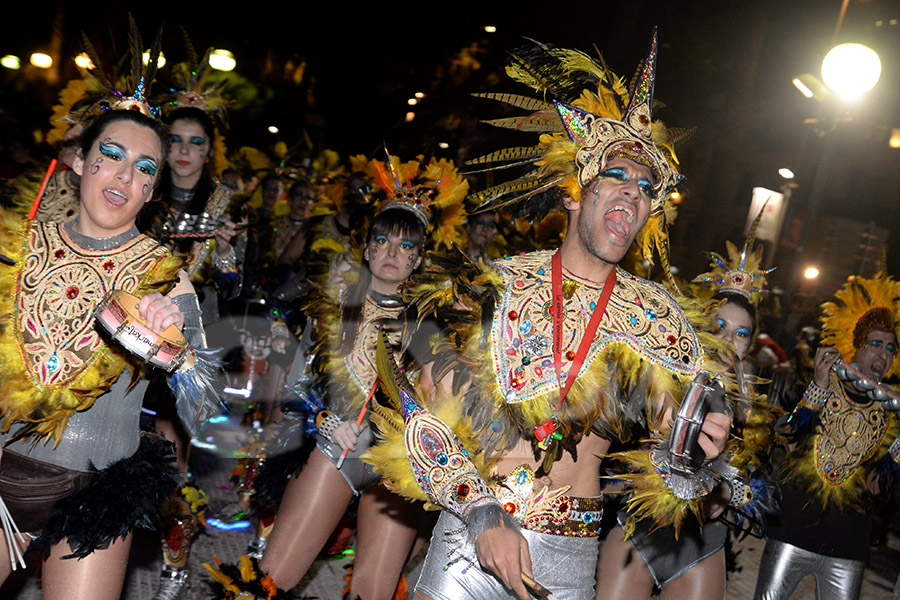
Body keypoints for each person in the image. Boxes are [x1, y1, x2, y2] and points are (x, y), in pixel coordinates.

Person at [363, 31, 731, 600]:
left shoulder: (661, 321)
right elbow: (418, 409)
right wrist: (481, 510)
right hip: (470, 542)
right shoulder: (493, 288)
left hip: (570, 559)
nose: (633, 194)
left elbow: (679, 451)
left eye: (645, 188)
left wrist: (695, 458)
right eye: (617, 176)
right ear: (573, 193)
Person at [210, 154, 468, 600]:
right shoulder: (333, 305)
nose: (391, 253)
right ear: (367, 248)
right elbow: (292, 381)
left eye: (405, 247)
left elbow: (447, 401)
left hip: (399, 466)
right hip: (340, 447)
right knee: (270, 578)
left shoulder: (432, 321)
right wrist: (324, 419)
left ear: (419, 260)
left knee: (372, 592)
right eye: (383, 240)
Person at [0, 106, 216, 600]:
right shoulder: (20, 246)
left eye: (144, 168)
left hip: (98, 494)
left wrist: (175, 349)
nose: (124, 174)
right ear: (79, 161)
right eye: (112, 155)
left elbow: (206, 403)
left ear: (152, 189)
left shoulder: (163, 276)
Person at [596, 233, 776, 600]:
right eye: (719, 326)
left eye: (741, 334)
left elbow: (756, 495)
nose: (728, 340)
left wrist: (727, 488)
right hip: (637, 535)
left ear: (750, 344)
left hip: (702, 545)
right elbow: (620, 455)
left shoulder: (752, 411)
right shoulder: (660, 378)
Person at [753, 273, 900, 600]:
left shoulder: (890, 413)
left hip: (849, 547)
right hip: (792, 531)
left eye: (890, 348)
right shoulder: (822, 380)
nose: (883, 354)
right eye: (875, 344)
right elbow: (787, 443)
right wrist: (818, 385)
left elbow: (876, 487)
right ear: (855, 345)